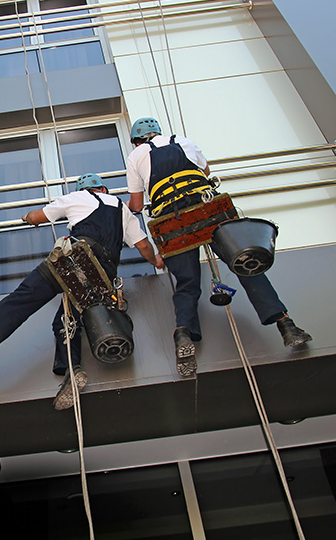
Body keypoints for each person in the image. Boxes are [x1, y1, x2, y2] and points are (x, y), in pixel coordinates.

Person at [0, 173, 164, 410]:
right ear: (104, 189)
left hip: (75, 259)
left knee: (23, 299)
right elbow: (142, 245)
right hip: (102, 279)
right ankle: (72, 370)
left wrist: (27, 217)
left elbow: (39, 216)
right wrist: (158, 261)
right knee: (66, 321)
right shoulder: (123, 211)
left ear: (85, 189)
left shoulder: (77, 197)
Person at [125, 117, 312, 377]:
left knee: (187, 282)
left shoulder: (136, 156)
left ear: (136, 140)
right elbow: (206, 172)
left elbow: (136, 204)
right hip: (208, 210)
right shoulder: (183, 141)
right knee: (244, 263)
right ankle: (286, 324)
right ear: (158, 132)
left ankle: (183, 335)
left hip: (174, 222)